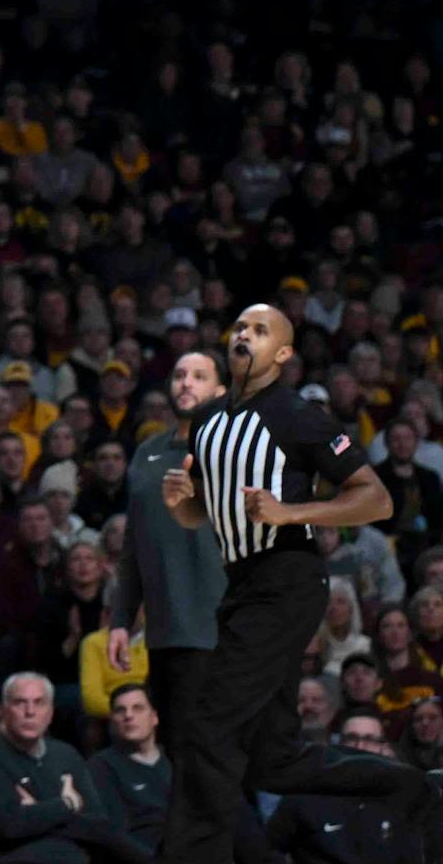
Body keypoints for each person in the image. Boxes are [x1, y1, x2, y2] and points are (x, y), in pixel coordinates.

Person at [159, 304, 442, 861]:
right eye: (241, 326)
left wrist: (292, 512)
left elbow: (377, 499)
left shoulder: (298, 416)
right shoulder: (210, 421)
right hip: (242, 586)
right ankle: (411, 787)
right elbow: (206, 514)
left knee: (211, 727)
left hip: (286, 579)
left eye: (261, 331)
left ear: (283, 355)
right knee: (275, 759)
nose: (246, 335)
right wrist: (183, 505)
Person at [105, 352, 227, 761]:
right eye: (179, 375)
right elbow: (133, 548)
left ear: (221, 392)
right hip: (164, 635)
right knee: (176, 758)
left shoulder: (241, 456)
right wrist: (121, 619)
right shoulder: (146, 455)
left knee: (219, 761)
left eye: (199, 376)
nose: (186, 383)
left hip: (224, 636)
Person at [0, 673, 137, 863]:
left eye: (39, 703)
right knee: (66, 854)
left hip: (56, 851)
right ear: (4, 710)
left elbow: (98, 822)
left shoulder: (66, 754)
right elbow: (11, 826)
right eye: (20, 702)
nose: (30, 711)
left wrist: (39, 813)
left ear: (50, 713)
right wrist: (67, 804)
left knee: (109, 846)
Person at [266, 709, 426, 863]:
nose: (360, 746)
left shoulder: (401, 801)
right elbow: (265, 850)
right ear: (337, 743)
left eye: (370, 739)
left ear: (382, 748)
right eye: (351, 738)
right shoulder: (304, 796)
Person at [85, 684, 169, 858]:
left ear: (154, 717)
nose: (128, 715)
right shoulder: (101, 767)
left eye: (137, 708)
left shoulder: (175, 759)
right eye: (120, 710)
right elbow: (115, 835)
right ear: (112, 720)